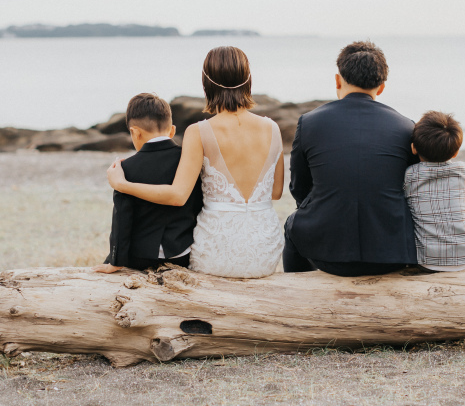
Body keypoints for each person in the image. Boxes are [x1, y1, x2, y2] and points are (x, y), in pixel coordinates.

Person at [106, 46, 285, 278]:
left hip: (217, 252)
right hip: (265, 251)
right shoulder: (273, 128)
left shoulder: (199, 131)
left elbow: (178, 195)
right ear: (248, 80)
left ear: (206, 84)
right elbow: (276, 192)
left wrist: (122, 184)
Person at [284, 41, 419, 276]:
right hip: (393, 253)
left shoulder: (310, 123)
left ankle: (297, 293)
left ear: (338, 80)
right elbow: (415, 189)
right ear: (382, 87)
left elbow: (299, 187)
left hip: (327, 255)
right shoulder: (406, 127)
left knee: (292, 225)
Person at [93, 93, 202, 274]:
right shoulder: (188, 161)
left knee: (103, 264)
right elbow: (197, 206)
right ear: (172, 131)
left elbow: (122, 220)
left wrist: (115, 261)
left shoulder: (125, 169)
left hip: (140, 257)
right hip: (181, 254)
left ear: (135, 132)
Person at [404, 111, 465, 272]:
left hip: (429, 259)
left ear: (413, 148)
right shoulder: (462, 171)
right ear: (455, 152)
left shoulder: (411, 174)